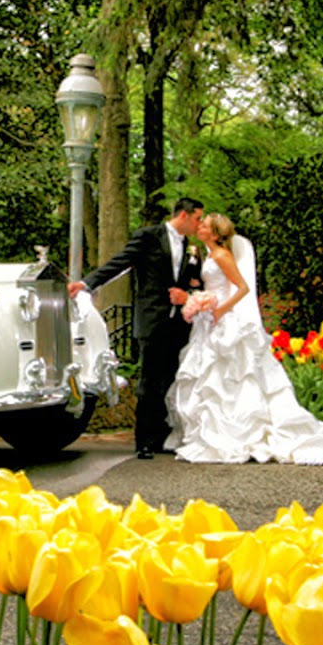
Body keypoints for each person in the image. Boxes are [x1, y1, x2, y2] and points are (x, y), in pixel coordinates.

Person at [165, 213, 323, 465]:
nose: (199, 227)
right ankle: (213, 433)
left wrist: (220, 308)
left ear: (215, 232)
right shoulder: (209, 254)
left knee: (231, 377)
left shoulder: (222, 255)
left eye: (205, 225)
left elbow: (242, 288)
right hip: (209, 322)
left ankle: (235, 432)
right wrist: (198, 299)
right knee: (210, 377)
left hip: (223, 320)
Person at [68, 197, 206, 459]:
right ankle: (144, 441)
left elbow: (195, 282)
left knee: (171, 379)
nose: (199, 224)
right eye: (198, 218)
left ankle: (164, 436)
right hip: (152, 319)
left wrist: (188, 294)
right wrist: (86, 284)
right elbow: (120, 262)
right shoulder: (148, 237)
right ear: (184, 216)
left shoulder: (190, 248)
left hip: (179, 323)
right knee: (149, 381)